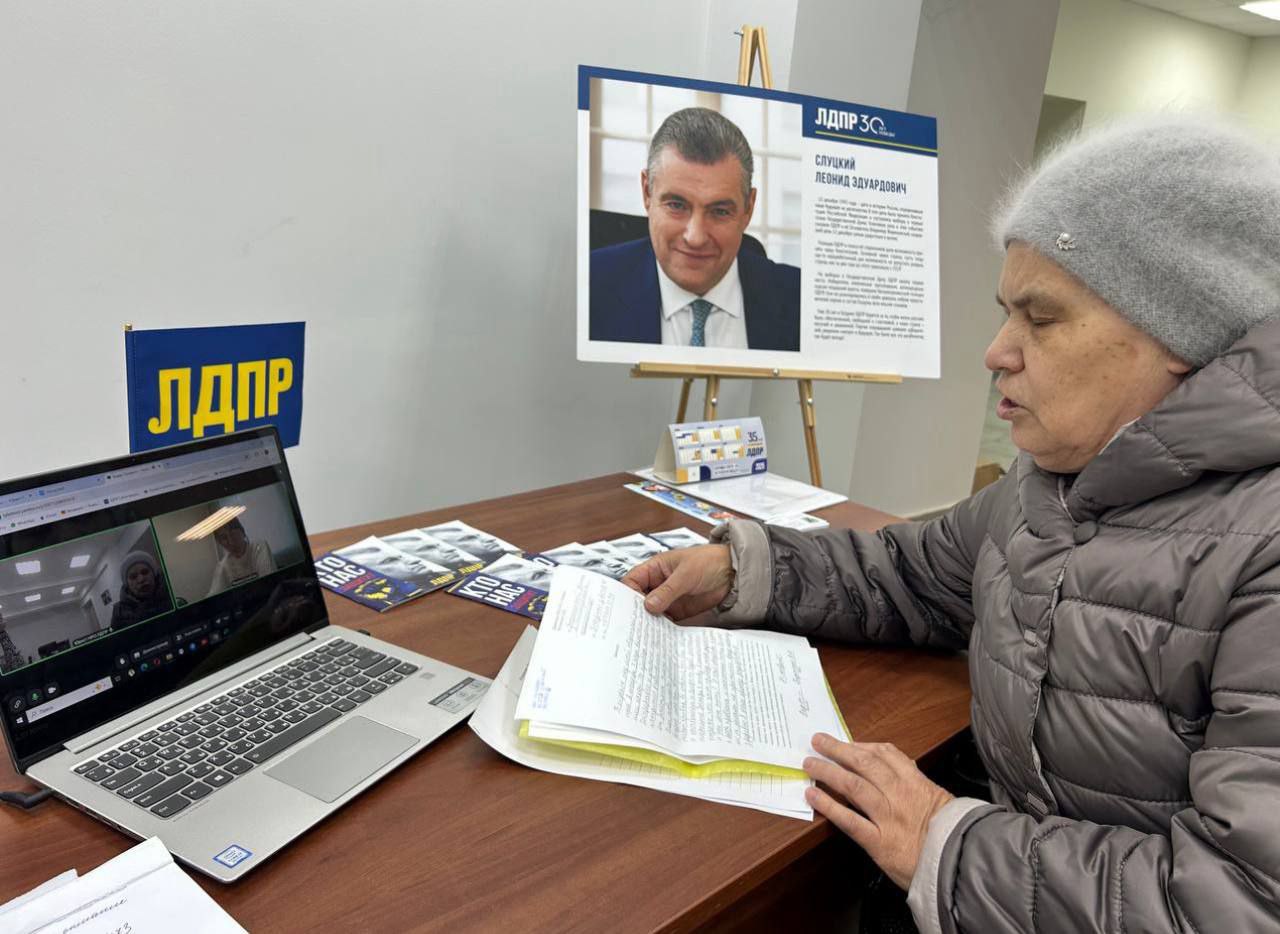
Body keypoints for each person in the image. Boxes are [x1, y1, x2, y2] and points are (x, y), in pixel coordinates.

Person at [622, 114, 1280, 933]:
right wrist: (741, 571)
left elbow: (1243, 904)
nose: (997, 351)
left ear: (1178, 330)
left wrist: (942, 842)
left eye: (1041, 318)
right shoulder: (1048, 483)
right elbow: (908, 573)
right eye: (1007, 313)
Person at [589, 107, 800, 351]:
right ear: (647, 192)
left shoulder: (801, 300)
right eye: (676, 206)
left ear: (748, 208)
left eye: (720, 211)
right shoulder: (587, 287)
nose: (695, 238)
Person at [207, 517, 277, 596]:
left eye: (233, 534)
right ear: (220, 543)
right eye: (224, 538)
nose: (231, 541)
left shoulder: (259, 548)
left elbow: (269, 582)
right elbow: (213, 595)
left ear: (242, 531)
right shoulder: (223, 566)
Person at [111, 551, 173, 628]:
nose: (141, 579)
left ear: (154, 574)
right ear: (127, 584)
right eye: (133, 577)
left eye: (145, 572)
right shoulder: (119, 612)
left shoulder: (172, 590)